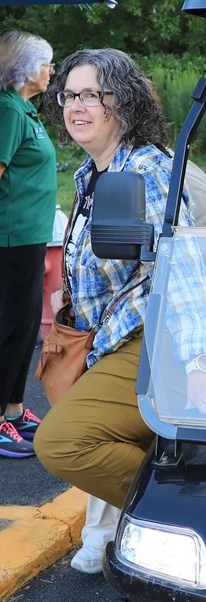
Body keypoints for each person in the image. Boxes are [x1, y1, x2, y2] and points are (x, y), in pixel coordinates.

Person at [34, 49, 206, 537]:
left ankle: (201, 517)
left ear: (121, 102)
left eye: (90, 96)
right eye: (68, 95)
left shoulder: (143, 172)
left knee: (62, 442)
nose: (75, 106)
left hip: (164, 337)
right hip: (122, 337)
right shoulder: (94, 172)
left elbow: (180, 266)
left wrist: (198, 363)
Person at [0, 30, 57, 458]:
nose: (51, 71)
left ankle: (15, 409)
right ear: (26, 68)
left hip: (29, 237)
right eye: (47, 63)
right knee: (6, 327)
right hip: (9, 238)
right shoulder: (7, 111)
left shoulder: (26, 110)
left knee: (21, 328)